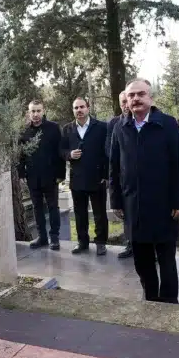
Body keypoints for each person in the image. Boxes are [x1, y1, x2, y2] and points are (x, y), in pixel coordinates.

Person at [109, 79, 179, 303]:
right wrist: (115, 199)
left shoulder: (167, 124)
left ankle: (170, 302)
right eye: (131, 95)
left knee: (166, 259)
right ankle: (151, 299)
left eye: (140, 94)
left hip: (163, 205)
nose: (135, 99)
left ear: (150, 98)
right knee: (142, 260)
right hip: (133, 205)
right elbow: (114, 166)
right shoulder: (120, 127)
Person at [60, 97, 109, 255]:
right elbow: (60, 151)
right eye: (76, 108)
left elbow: (108, 153)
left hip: (97, 177)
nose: (79, 110)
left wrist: (105, 175)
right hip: (77, 178)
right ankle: (82, 242)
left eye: (82, 107)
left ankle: (101, 242)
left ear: (88, 108)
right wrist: (69, 154)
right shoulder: (67, 129)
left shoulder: (102, 127)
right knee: (80, 214)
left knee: (99, 213)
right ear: (73, 110)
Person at [18, 100, 66, 250]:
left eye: (38, 111)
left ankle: (54, 238)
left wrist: (60, 174)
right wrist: (21, 175)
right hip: (33, 177)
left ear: (43, 111)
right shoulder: (24, 131)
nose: (36, 114)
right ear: (29, 113)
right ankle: (42, 237)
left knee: (53, 207)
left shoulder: (53, 128)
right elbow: (20, 156)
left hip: (51, 176)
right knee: (36, 207)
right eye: (33, 111)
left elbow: (60, 151)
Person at [107, 91, 134, 260]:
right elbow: (108, 148)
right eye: (122, 102)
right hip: (122, 174)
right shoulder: (114, 124)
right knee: (127, 215)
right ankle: (130, 244)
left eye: (127, 101)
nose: (125, 105)